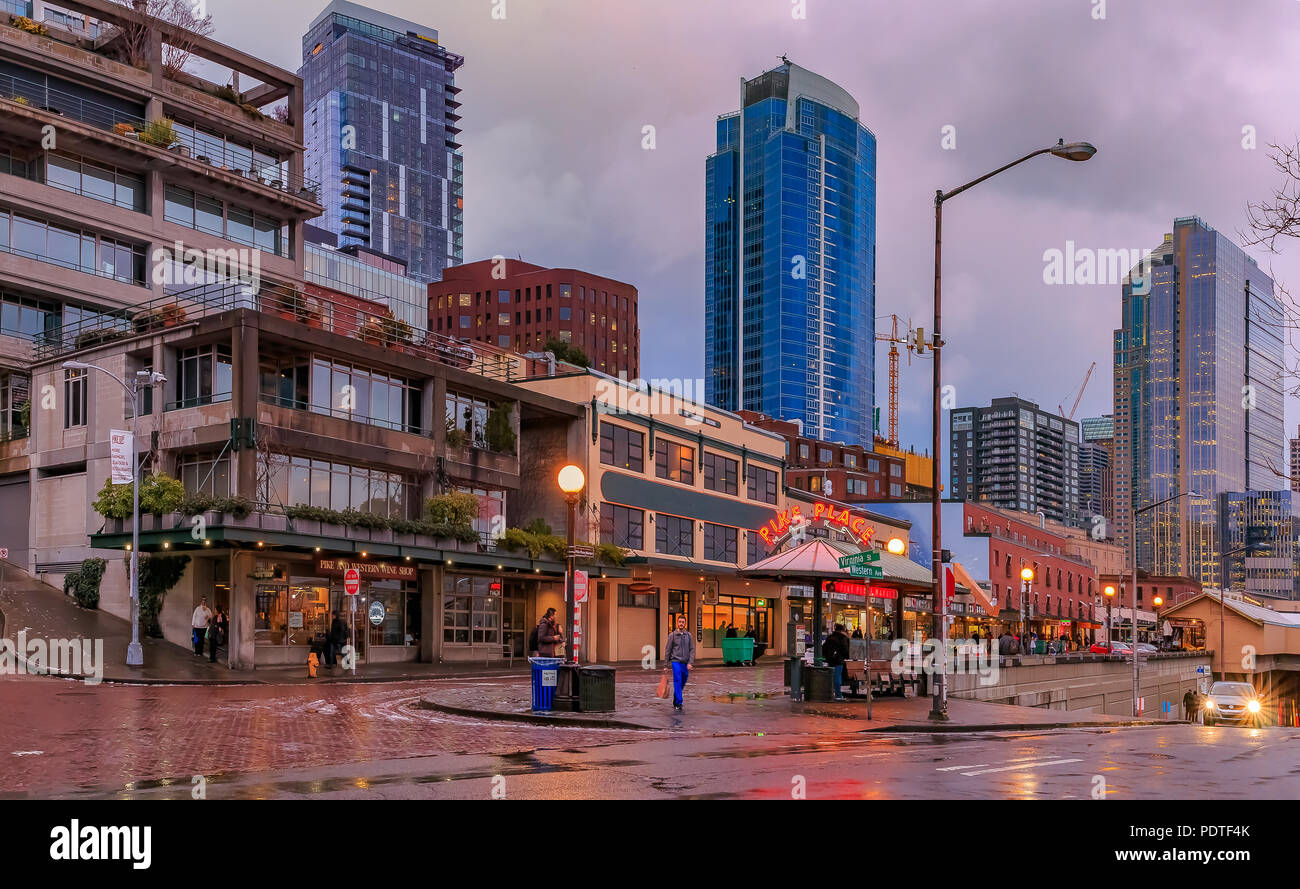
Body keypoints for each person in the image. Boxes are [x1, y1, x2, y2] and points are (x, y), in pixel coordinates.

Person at [662, 613, 695, 711]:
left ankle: (676, 698)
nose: (681, 624)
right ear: (677, 623)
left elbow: (692, 649)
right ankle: (679, 702)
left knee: (683, 681)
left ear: (685, 624)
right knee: (677, 680)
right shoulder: (672, 635)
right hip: (675, 661)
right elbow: (668, 650)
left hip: (685, 663)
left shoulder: (688, 635)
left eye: (683, 622)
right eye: (680, 622)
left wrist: (690, 662)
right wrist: (665, 664)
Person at [822, 623, 850, 701]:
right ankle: (838, 694)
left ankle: (830, 693)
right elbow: (845, 650)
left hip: (830, 660)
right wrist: (846, 656)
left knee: (832, 677)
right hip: (839, 661)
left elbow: (824, 648)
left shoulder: (830, 637)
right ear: (842, 630)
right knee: (837, 677)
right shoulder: (842, 638)